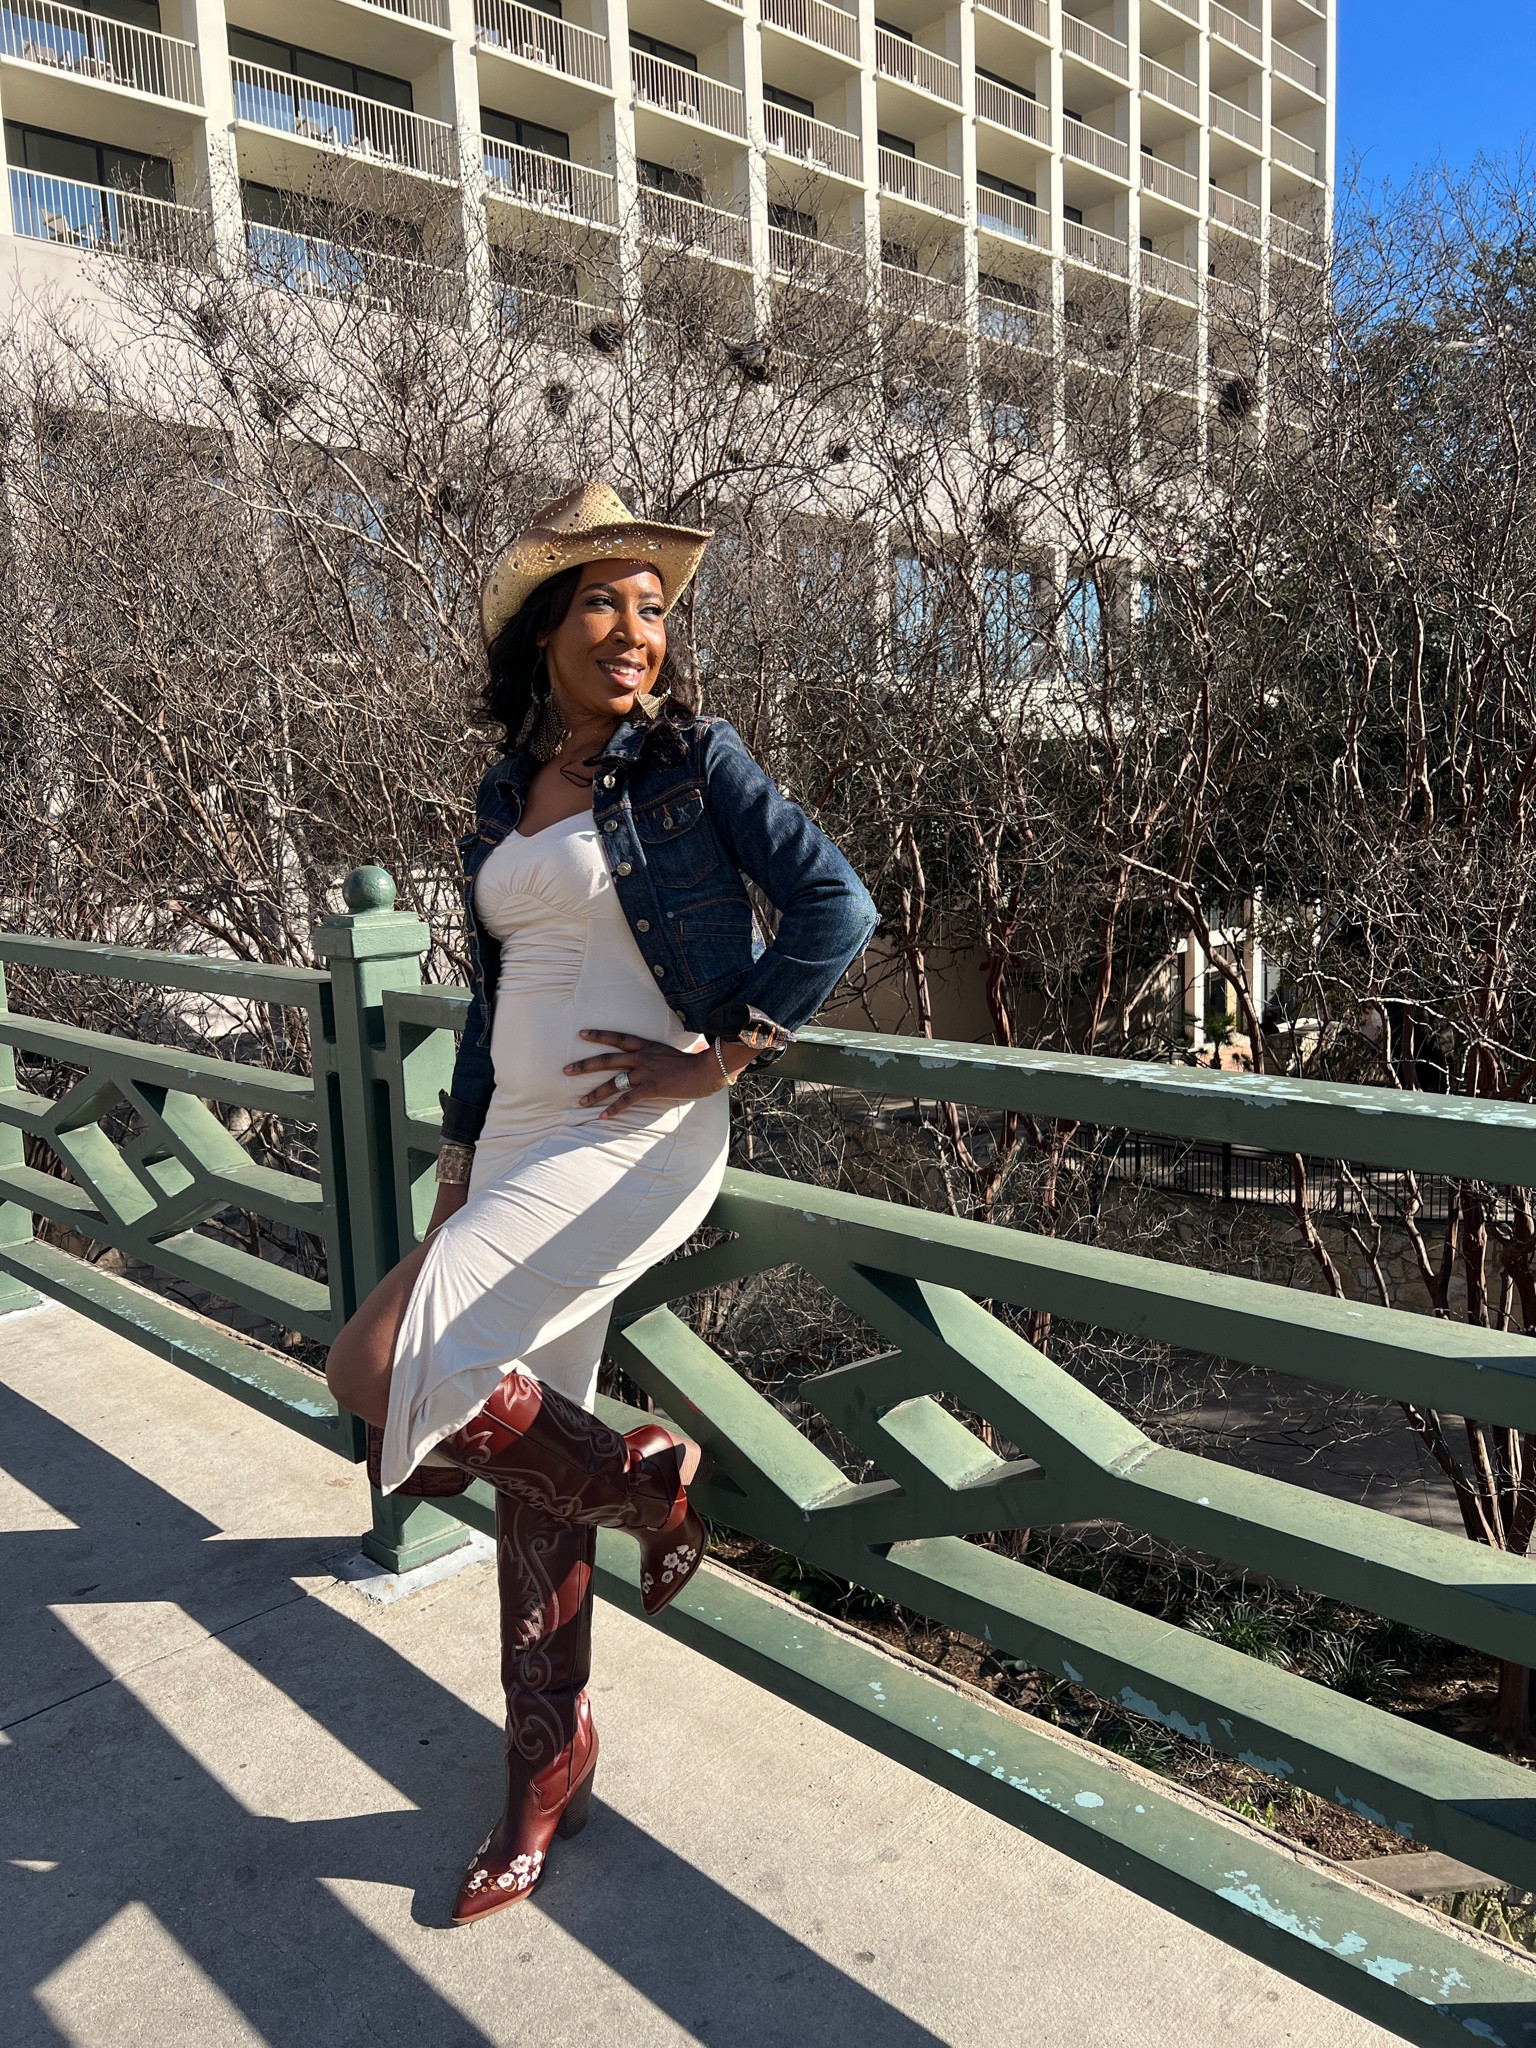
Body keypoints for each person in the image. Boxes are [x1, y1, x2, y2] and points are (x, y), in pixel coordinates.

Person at [326, 482, 876, 1924]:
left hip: (632, 1138)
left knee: (375, 1370)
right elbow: (493, 996)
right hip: (510, 1141)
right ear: (544, 633)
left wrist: (723, 1054)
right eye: (603, 605)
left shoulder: (694, 764)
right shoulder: (508, 796)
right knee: (519, 1487)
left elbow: (838, 906)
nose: (637, 631)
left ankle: (638, 1489)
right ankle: (543, 1764)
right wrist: (454, 1170)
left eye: (651, 610)